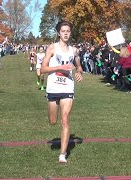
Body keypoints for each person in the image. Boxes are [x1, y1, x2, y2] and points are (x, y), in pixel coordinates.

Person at [40, 20, 83, 163]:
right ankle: (61, 150)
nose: (66, 33)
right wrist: (59, 68)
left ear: (70, 33)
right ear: (59, 33)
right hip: (53, 88)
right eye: (63, 31)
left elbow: (79, 66)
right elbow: (43, 69)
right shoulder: (52, 48)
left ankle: (62, 154)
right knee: (53, 121)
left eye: (68, 31)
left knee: (65, 118)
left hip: (67, 88)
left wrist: (79, 72)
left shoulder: (74, 50)